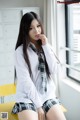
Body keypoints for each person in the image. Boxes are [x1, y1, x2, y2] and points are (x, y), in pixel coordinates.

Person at [12, 11, 66, 120]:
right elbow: (25, 81)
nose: (36, 31)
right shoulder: (20, 52)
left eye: (38, 26)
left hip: (47, 96)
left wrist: (46, 46)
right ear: (25, 30)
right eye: (31, 28)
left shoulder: (46, 46)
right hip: (27, 97)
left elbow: (55, 70)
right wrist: (38, 105)